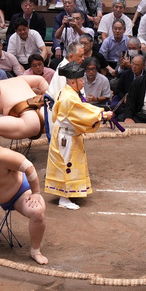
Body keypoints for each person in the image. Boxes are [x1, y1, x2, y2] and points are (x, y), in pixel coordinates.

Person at [45, 62, 113, 209]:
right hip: (66, 137)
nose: (83, 82)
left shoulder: (69, 92)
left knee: (71, 163)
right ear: (72, 81)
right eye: (81, 80)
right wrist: (103, 114)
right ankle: (64, 198)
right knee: (66, 164)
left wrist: (101, 112)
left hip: (69, 135)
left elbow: (83, 108)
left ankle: (69, 192)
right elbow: (81, 112)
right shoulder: (68, 97)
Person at [0, 75, 49, 143]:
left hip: (29, 123)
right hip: (47, 117)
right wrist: (50, 98)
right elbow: (40, 79)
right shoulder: (21, 79)